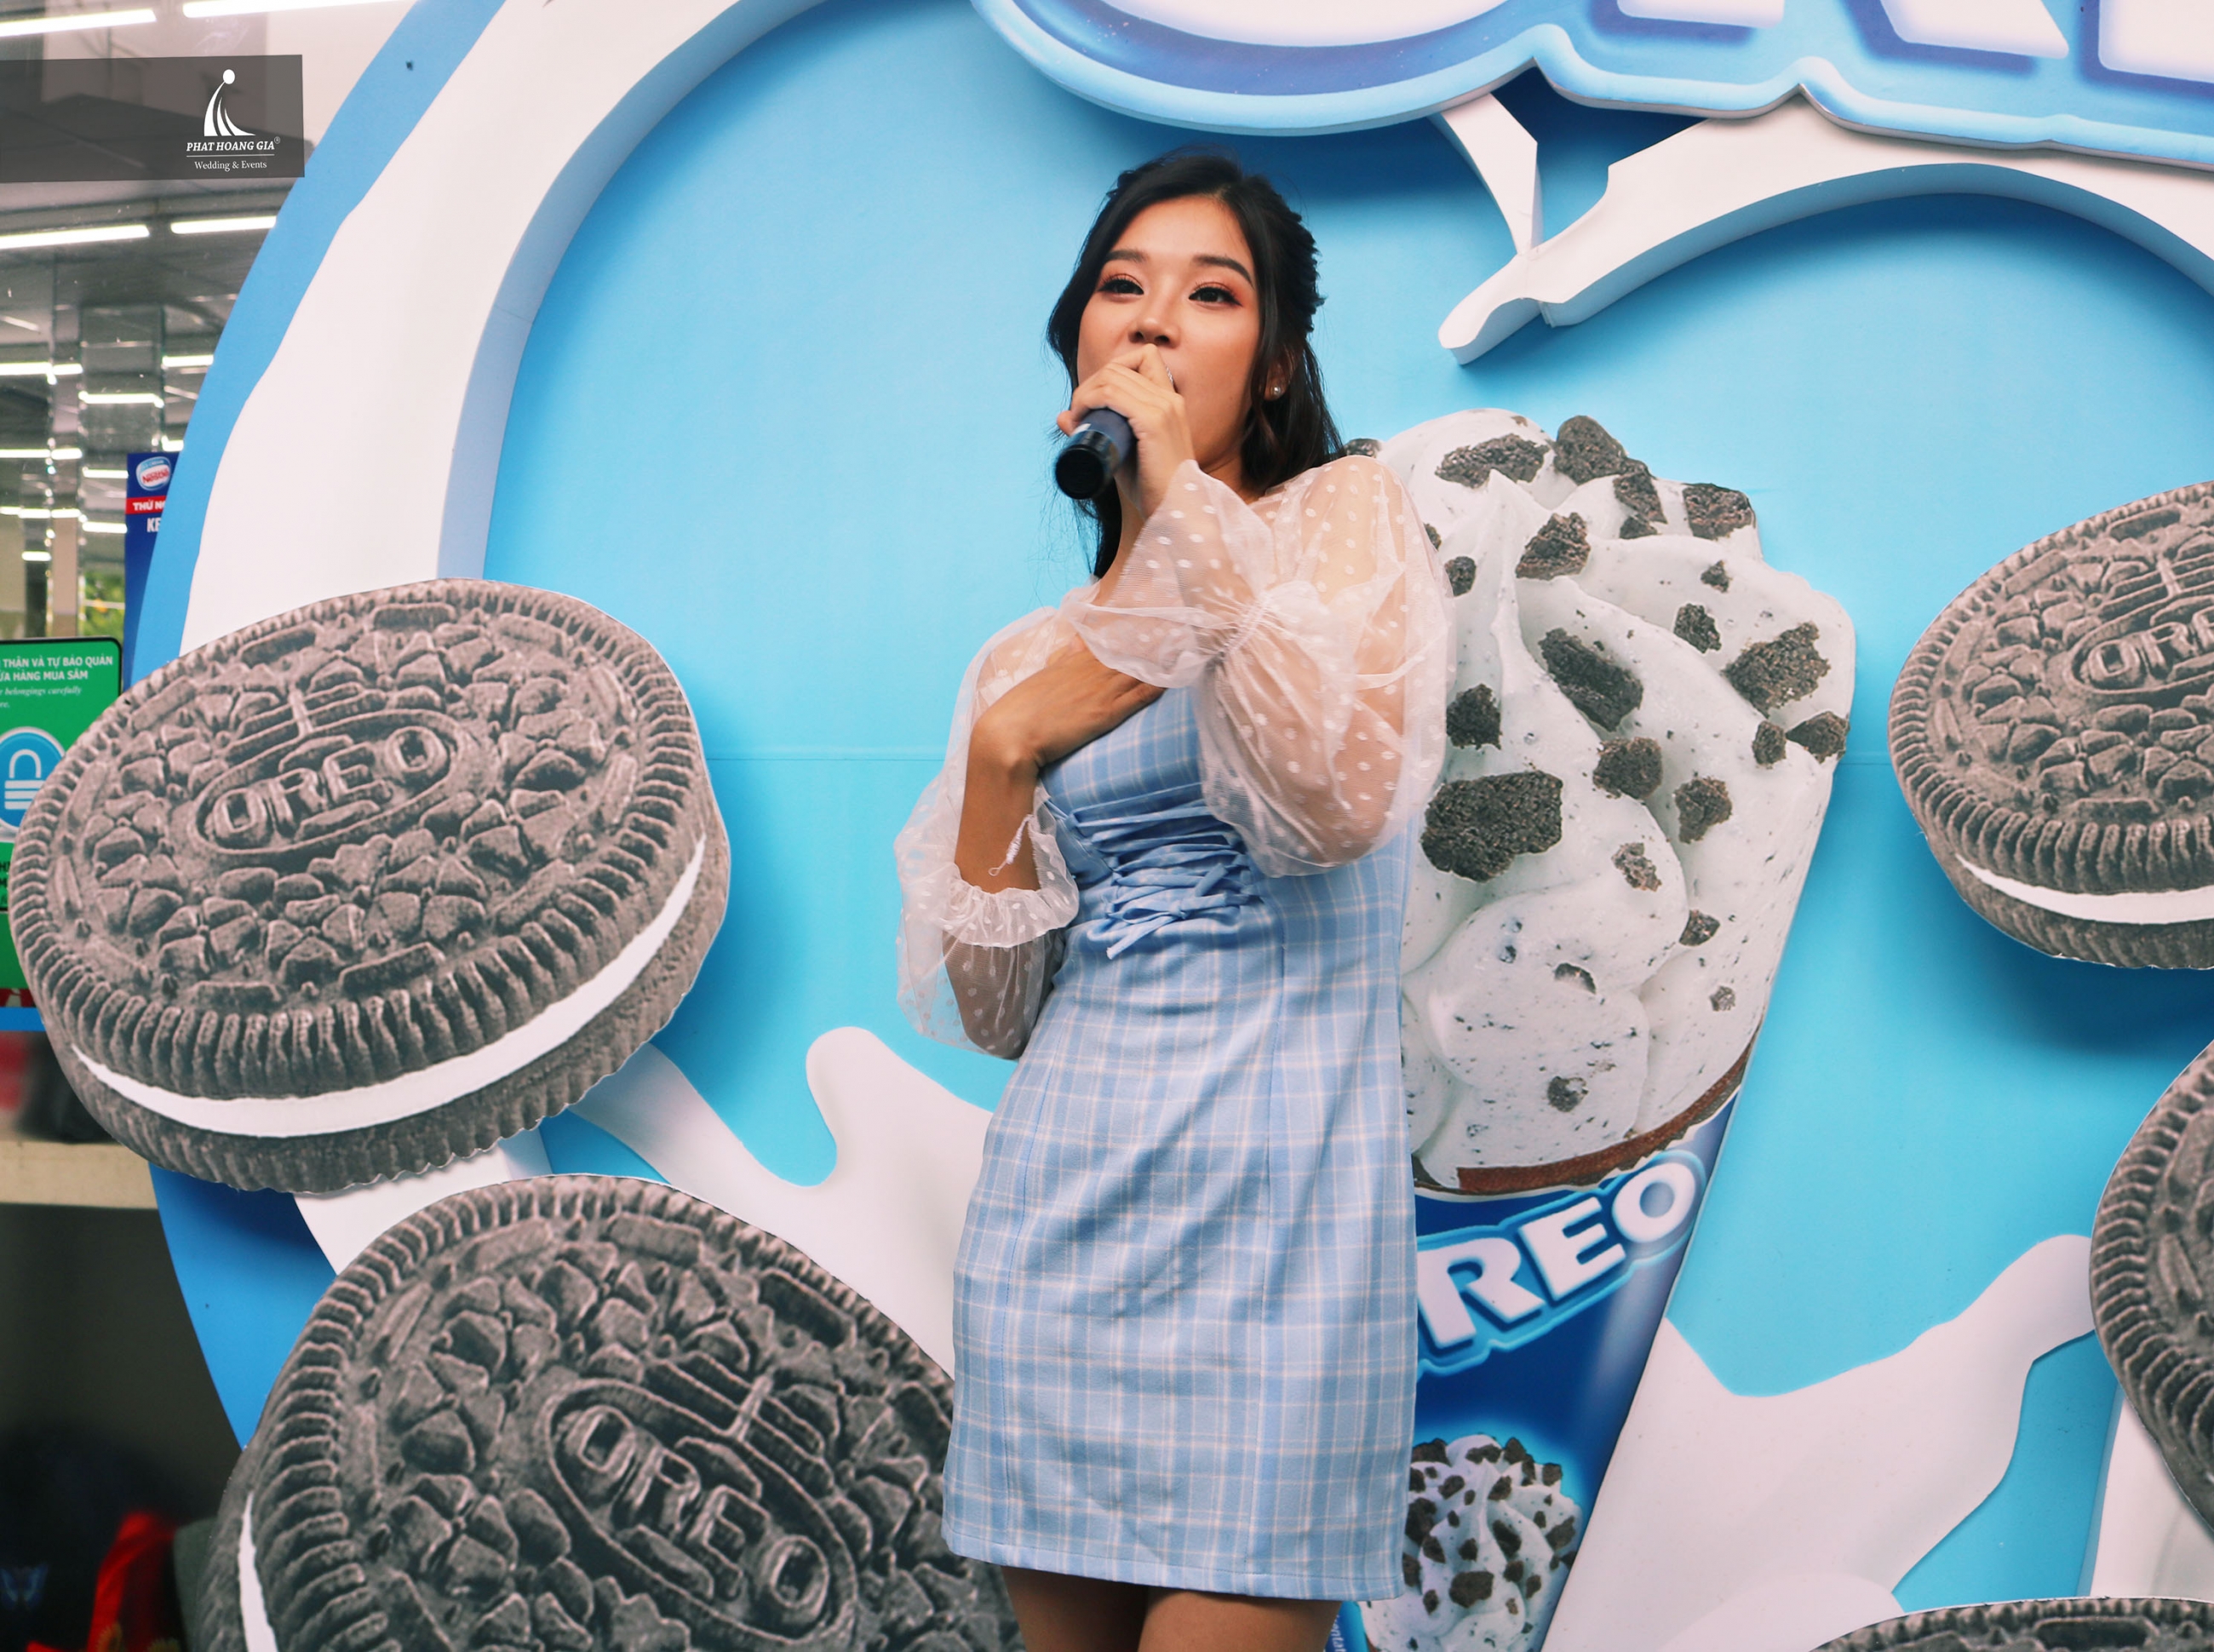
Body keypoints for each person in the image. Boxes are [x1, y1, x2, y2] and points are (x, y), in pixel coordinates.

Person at [894, 152, 1451, 1652]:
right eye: (1121, 289)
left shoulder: (1341, 524)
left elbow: (1326, 806)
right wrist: (1005, 754)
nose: (1152, 322)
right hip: (1064, 1217)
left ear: (1271, 371)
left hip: (1286, 1225)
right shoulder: (1028, 657)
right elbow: (1003, 1009)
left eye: (1211, 296)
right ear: (1077, 343)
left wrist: (1179, 502)